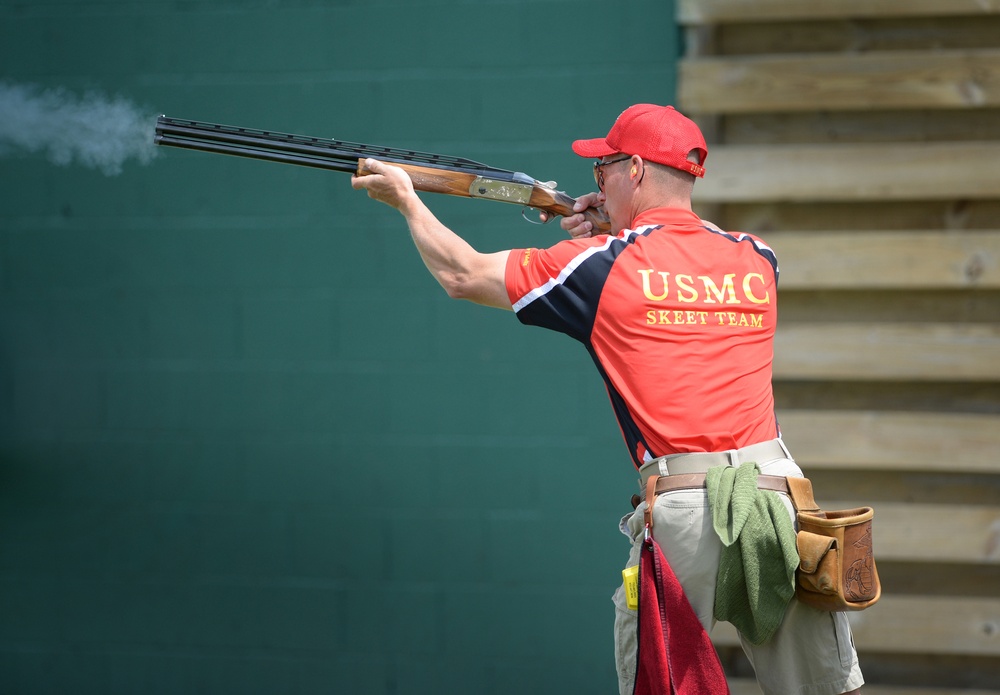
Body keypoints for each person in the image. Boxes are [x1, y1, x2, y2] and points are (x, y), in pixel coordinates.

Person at [351, 103, 864, 695]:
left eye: (604, 171)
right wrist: (614, 228)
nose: (597, 183)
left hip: (684, 512)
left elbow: (463, 274)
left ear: (636, 170)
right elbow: (674, 275)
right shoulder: (757, 258)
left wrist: (408, 199)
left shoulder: (601, 264)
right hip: (780, 500)